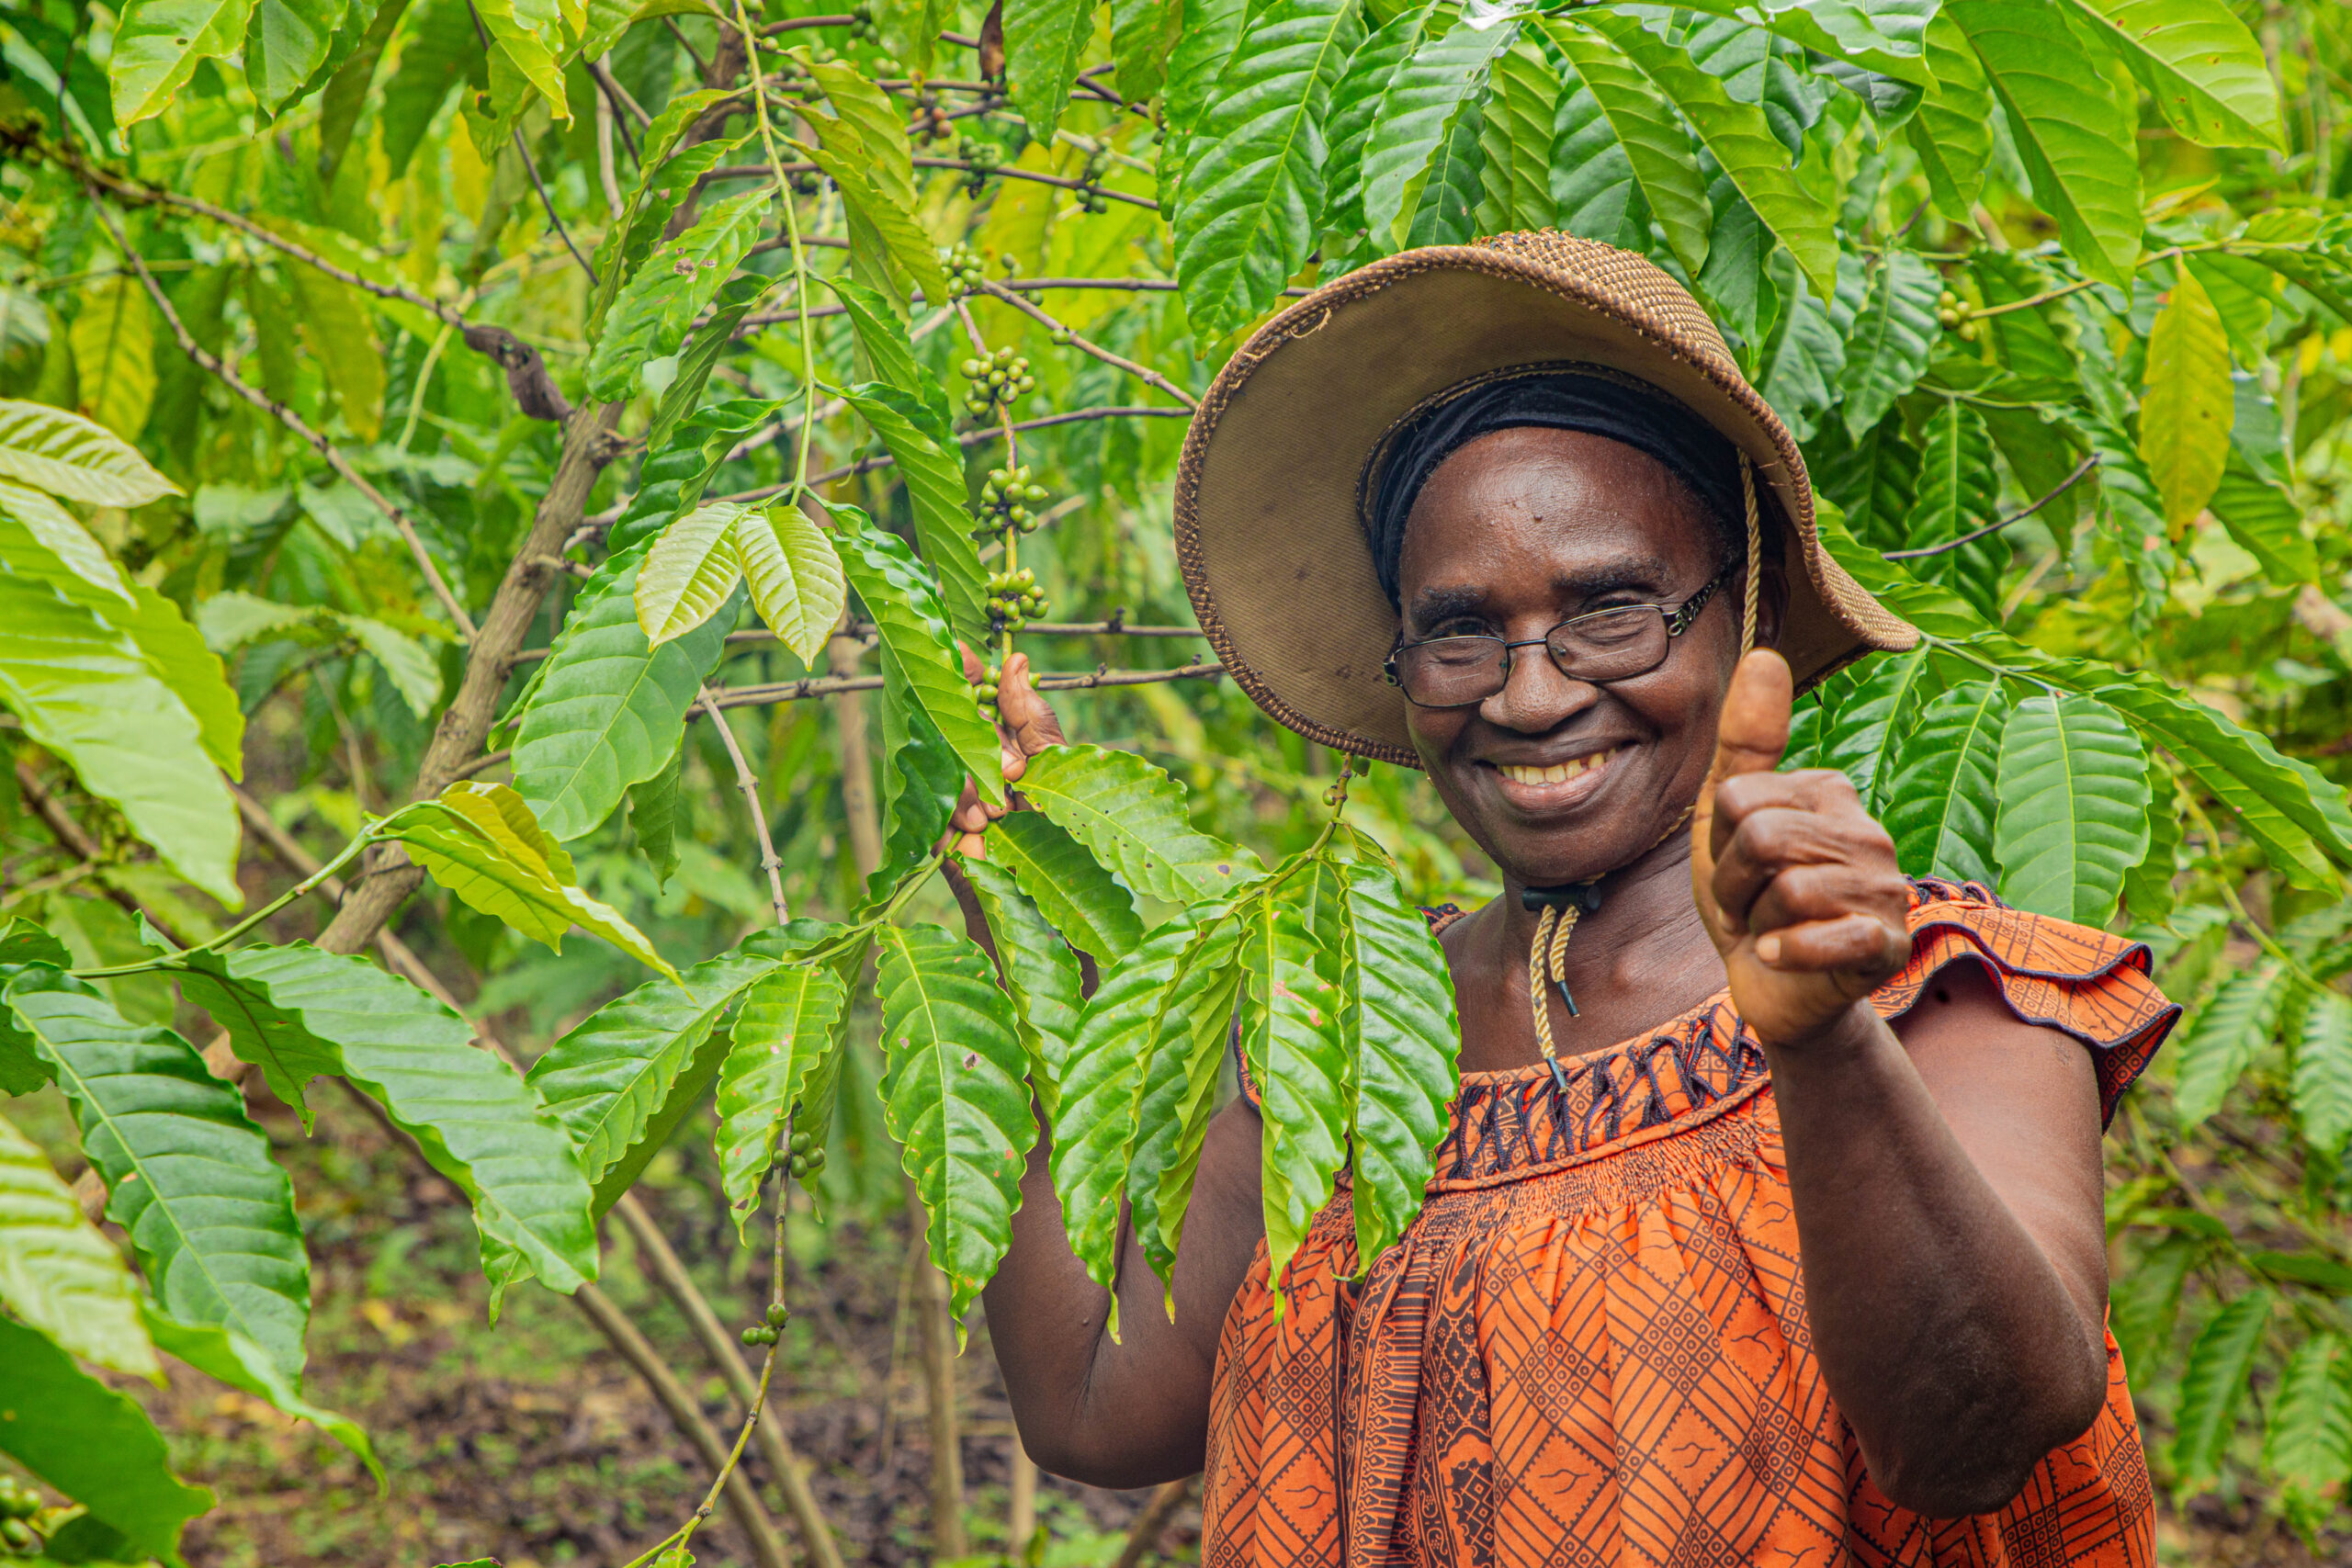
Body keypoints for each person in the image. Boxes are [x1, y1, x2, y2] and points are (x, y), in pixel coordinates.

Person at [950, 232, 2179, 1567]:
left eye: (1613, 612)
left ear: (1743, 613)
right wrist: (1026, 910)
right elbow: (1092, 1407)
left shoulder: (1948, 987)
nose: (1530, 697)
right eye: (1461, 631)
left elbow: (1973, 1439)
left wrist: (1823, 1040)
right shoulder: (1345, 1039)